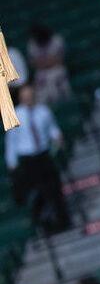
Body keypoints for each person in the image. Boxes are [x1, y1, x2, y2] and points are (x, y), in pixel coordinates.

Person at [5, 85, 71, 234]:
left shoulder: (43, 111)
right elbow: (12, 141)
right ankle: (44, 225)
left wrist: (57, 136)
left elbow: (52, 128)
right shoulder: (15, 115)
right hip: (27, 159)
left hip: (42, 155)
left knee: (54, 188)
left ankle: (62, 221)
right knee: (37, 193)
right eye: (25, 96)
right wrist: (12, 163)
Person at [26, 23, 71, 104]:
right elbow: (33, 63)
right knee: (39, 81)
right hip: (41, 72)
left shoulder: (56, 40)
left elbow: (60, 60)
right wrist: (48, 61)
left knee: (57, 75)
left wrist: (44, 62)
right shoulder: (32, 44)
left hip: (57, 69)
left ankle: (65, 103)